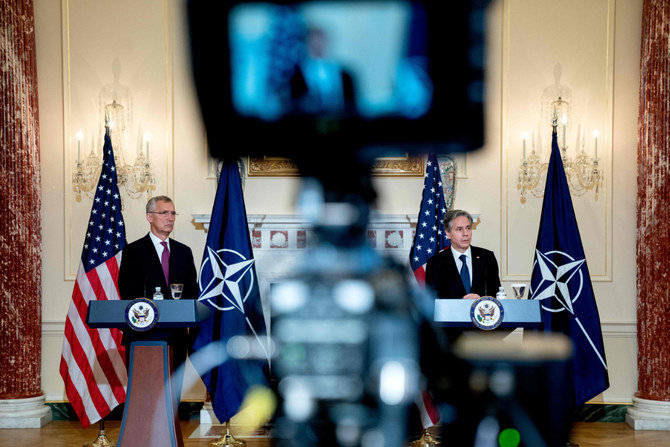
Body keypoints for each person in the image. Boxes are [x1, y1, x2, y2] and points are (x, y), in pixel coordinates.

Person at [118, 195, 199, 404]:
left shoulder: (184, 252)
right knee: (145, 399)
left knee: (172, 399)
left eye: (173, 213)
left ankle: (169, 436)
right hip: (144, 337)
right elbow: (127, 291)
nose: (170, 218)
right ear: (149, 217)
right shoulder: (133, 251)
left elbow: (192, 292)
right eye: (164, 213)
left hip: (177, 338)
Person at [425, 209, 501, 299]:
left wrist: (481, 300)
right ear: (448, 233)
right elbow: (432, 302)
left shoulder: (487, 258)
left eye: (468, 228)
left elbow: (497, 295)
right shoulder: (435, 263)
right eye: (459, 229)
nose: (465, 234)